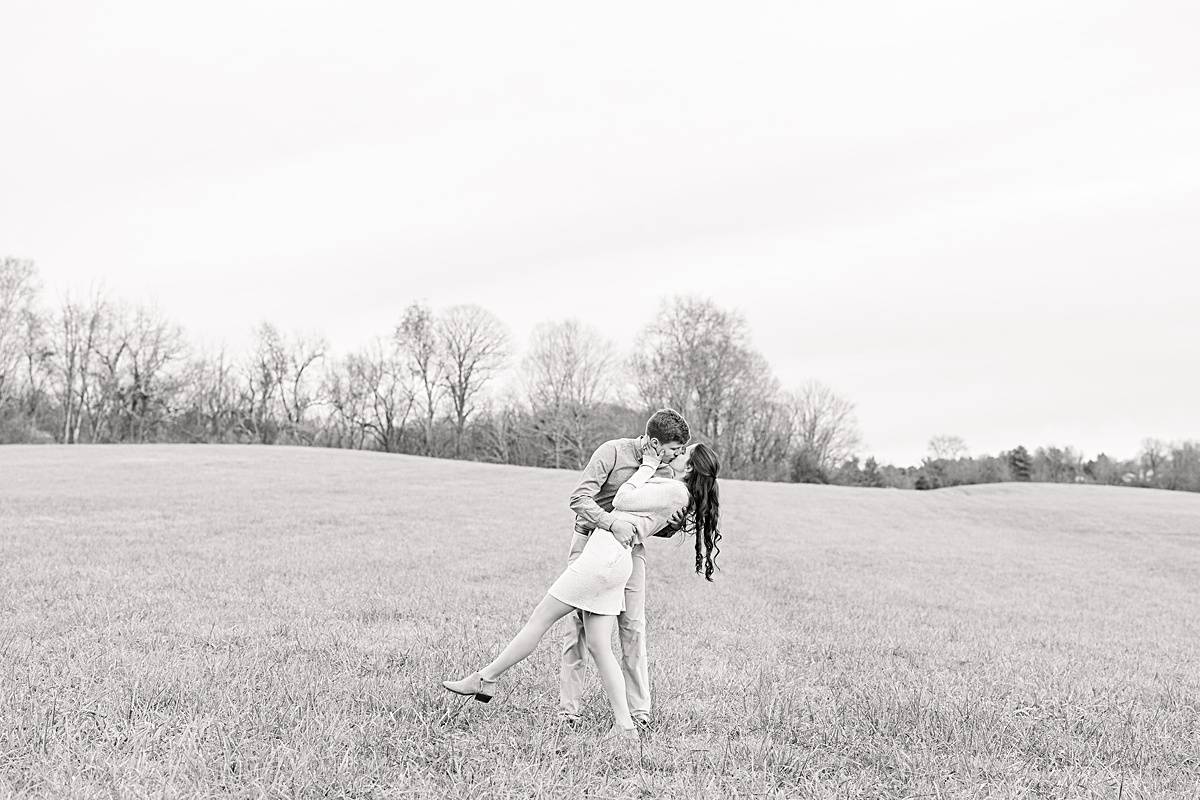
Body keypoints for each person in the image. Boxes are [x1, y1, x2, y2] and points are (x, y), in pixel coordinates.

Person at [442, 440, 722, 739]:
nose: (676, 456)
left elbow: (622, 500)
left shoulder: (675, 489)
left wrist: (648, 466)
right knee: (599, 646)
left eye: (682, 454)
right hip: (611, 560)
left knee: (540, 620)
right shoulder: (675, 488)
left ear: (690, 466)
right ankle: (625, 725)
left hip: (601, 560)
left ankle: (485, 678)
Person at [561, 409, 689, 729]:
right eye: (674, 449)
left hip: (632, 551)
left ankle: (639, 712)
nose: (678, 455)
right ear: (655, 443)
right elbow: (579, 498)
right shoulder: (612, 452)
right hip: (589, 542)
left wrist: (676, 524)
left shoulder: (666, 474)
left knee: (633, 626)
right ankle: (568, 712)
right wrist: (611, 522)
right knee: (578, 628)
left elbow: (651, 523)